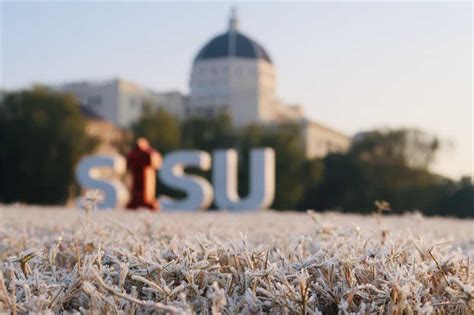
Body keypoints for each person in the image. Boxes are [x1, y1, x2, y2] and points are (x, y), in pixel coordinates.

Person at [126, 137, 162, 210]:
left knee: (146, 190)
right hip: (137, 177)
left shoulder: (148, 153)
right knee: (138, 189)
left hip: (146, 177)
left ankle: (143, 199)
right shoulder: (135, 154)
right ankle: (138, 199)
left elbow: (156, 161)